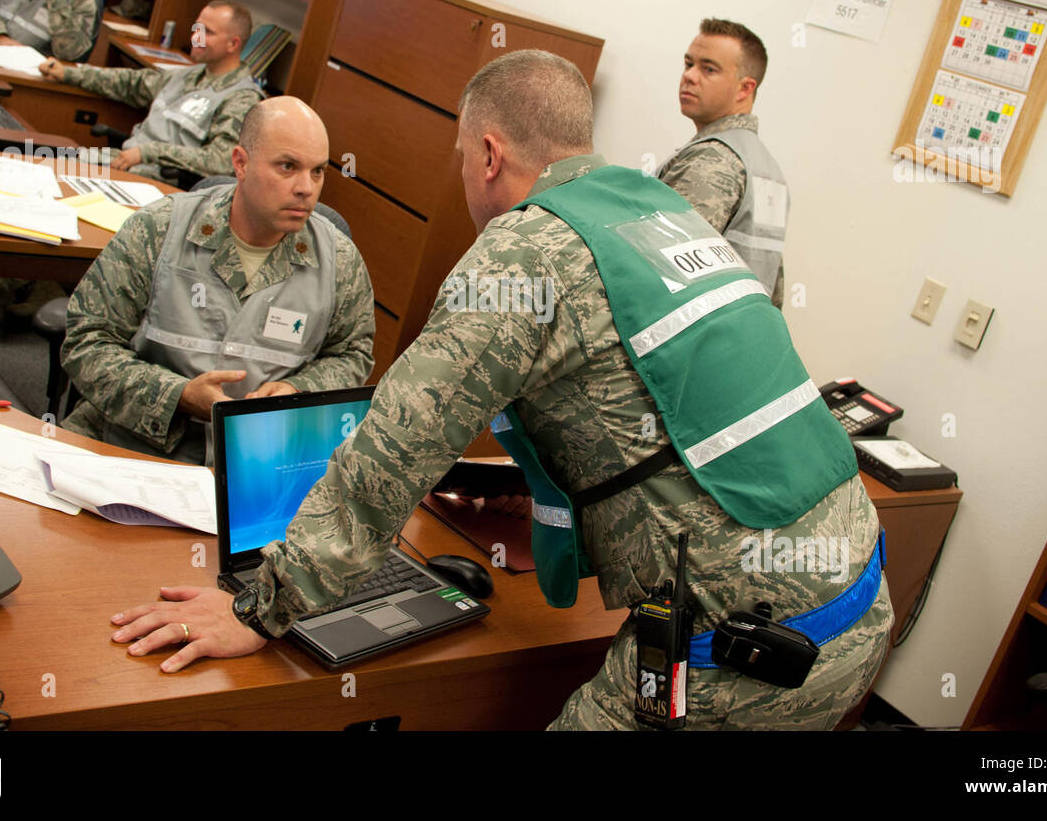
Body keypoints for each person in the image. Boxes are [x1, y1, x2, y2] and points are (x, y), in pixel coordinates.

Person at [109, 51, 891, 731]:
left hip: (740, 649)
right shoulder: (661, 212)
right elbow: (654, 407)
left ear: (488, 153)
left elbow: (392, 446)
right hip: (856, 599)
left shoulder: (526, 252)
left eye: (459, 155)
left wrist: (262, 604)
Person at [59, 96, 375, 465]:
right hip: (132, 443)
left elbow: (351, 355)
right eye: (287, 167)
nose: (306, 187)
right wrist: (177, 395)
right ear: (240, 163)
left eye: (317, 171)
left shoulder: (339, 259)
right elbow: (87, 340)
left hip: (253, 465)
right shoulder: (159, 229)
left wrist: (296, 390)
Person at [39, 1, 262, 180]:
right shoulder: (188, 75)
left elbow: (221, 161)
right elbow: (129, 82)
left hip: (154, 182)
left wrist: (151, 152)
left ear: (233, 44)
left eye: (208, 33)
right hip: (123, 164)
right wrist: (69, 73)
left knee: (52, 170)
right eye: (197, 29)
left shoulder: (240, 98)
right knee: (40, 161)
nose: (196, 37)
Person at [656, 18, 788, 308]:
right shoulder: (766, 168)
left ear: (745, 88)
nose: (689, 76)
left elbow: (657, 273)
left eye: (708, 69)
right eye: (688, 63)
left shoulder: (713, 160)